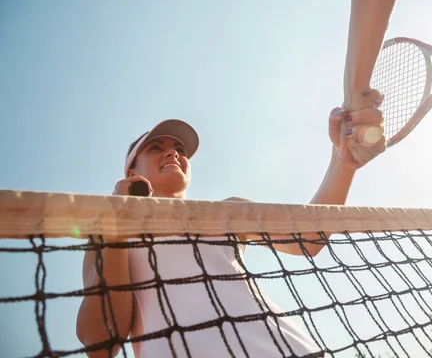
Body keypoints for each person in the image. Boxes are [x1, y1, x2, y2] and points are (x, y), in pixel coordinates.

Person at [76, 93, 386, 358]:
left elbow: (308, 239)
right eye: (155, 147)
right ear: (131, 169)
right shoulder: (109, 232)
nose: (173, 152)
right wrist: (119, 219)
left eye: (180, 149)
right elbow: (101, 343)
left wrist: (342, 161)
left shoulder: (228, 210)